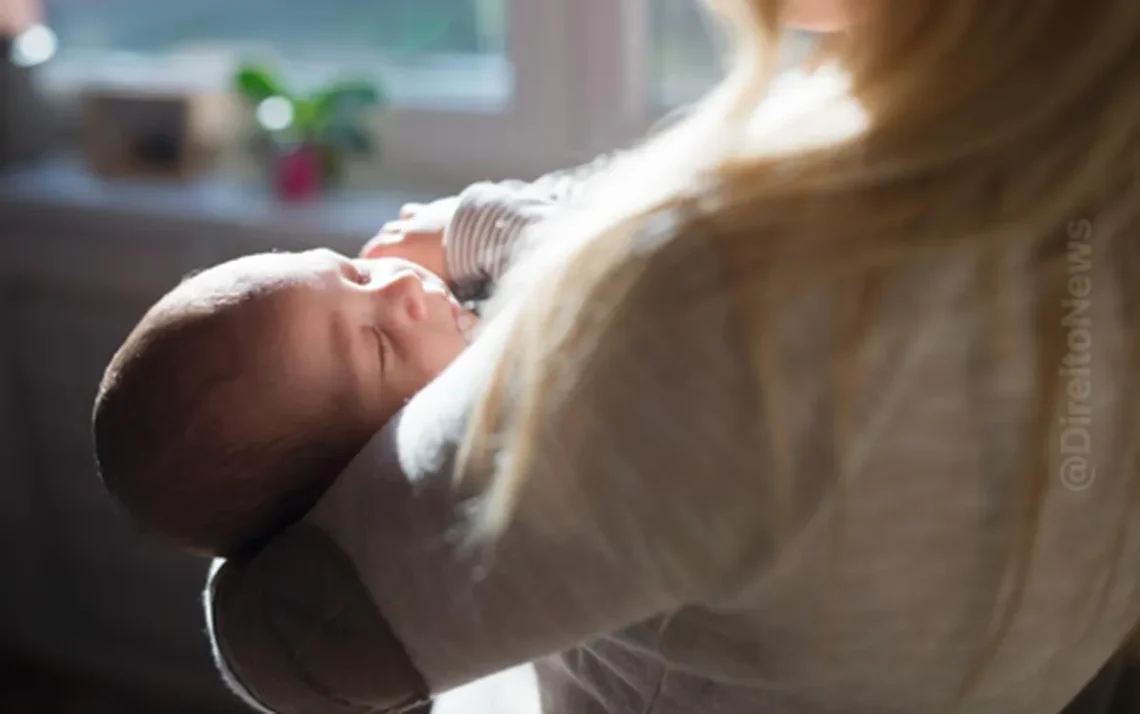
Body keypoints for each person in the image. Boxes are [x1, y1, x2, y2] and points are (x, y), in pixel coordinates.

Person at [204, 0, 1140, 712]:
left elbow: (289, 632)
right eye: (367, 335)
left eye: (354, 275)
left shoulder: (714, 302)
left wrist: (297, 499)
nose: (399, 290)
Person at [91, 181, 562, 556]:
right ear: (373, 466)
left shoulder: (463, 319)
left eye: (356, 274)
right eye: (379, 344)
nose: (401, 284)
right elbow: (612, 267)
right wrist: (466, 229)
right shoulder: (506, 429)